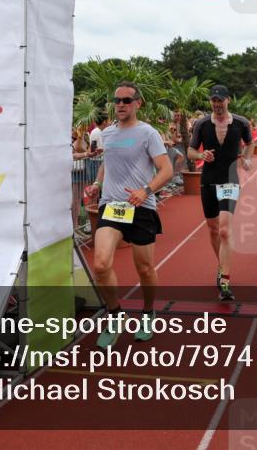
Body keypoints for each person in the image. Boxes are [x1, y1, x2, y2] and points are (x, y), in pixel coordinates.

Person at [85, 82, 172, 348]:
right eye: (117, 100)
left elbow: (166, 170)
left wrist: (146, 191)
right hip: (112, 205)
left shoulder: (148, 133)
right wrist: (97, 184)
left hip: (141, 207)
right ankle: (115, 315)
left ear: (137, 103)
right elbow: (107, 163)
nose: (120, 104)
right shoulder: (108, 133)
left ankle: (148, 312)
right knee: (101, 264)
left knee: (144, 268)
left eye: (126, 100)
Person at [188, 85, 253, 302]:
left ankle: (224, 280)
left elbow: (250, 143)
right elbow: (190, 151)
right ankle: (221, 264)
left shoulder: (241, 123)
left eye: (220, 100)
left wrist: (246, 158)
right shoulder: (201, 124)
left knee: (224, 230)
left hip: (230, 181)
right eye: (214, 100)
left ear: (228, 100)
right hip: (208, 181)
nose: (217, 104)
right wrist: (201, 154)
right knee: (213, 228)